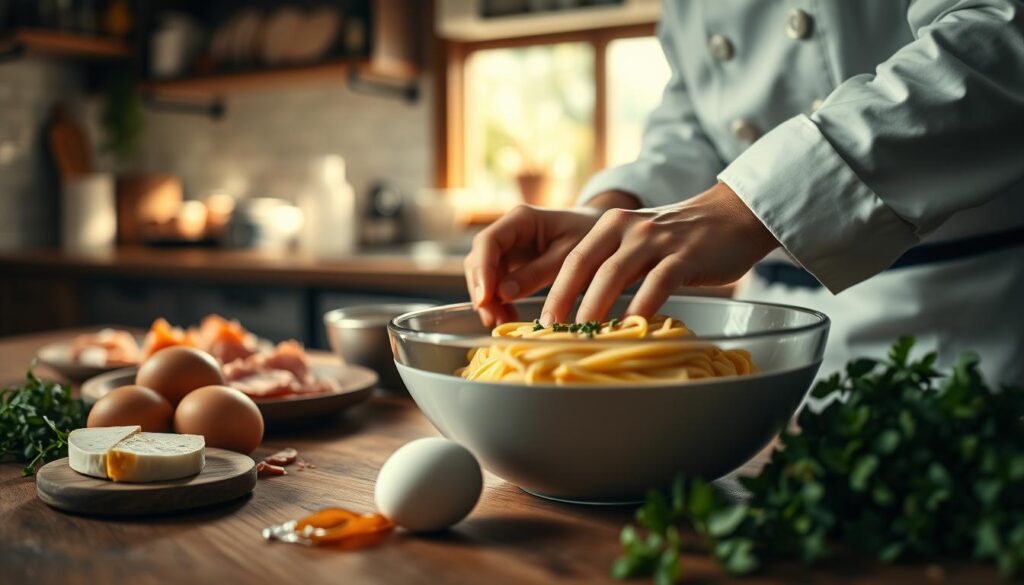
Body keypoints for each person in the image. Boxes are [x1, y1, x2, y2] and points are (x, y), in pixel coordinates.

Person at [463, 0, 1024, 385]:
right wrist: (611, 213)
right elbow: (694, 116)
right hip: (771, 333)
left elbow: (999, 34)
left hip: (960, 316)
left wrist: (746, 208)